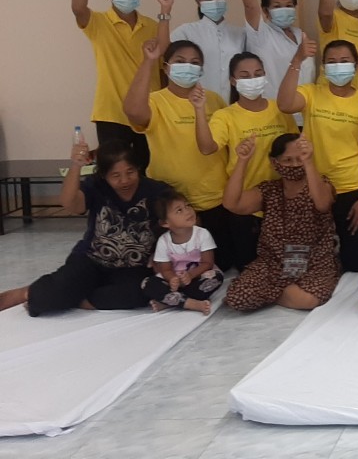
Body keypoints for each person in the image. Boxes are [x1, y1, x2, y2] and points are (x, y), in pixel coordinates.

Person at [0, 142, 164, 316]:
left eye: (130, 172)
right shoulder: (96, 185)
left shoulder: (156, 191)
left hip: (134, 267)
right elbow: (71, 204)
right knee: (47, 296)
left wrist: (160, 253)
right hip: (91, 260)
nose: (124, 180)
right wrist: (76, 166)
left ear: (138, 168)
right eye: (116, 175)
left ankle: (79, 299)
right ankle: (28, 293)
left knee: (143, 292)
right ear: (104, 175)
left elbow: (173, 222)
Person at [124, 39, 242, 270]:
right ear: (166, 67)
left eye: (195, 62)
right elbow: (133, 112)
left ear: (201, 69)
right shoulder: (155, 101)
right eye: (180, 61)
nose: (188, 66)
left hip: (213, 197)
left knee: (223, 263)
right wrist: (148, 61)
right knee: (172, 266)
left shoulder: (214, 100)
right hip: (171, 200)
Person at [277, 37, 358, 273]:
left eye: (344, 61)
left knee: (357, 264)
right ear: (323, 67)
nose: (338, 66)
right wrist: (297, 60)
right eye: (331, 62)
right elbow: (284, 104)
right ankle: (325, 250)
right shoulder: (311, 93)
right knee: (303, 263)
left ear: (357, 66)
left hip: (350, 186)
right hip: (313, 183)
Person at [71, 0, 174, 170]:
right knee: (114, 174)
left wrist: (165, 12)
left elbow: (164, 65)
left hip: (149, 113)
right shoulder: (98, 23)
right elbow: (78, 8)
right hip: (111, 113)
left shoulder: (153, 26)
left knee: (149, 172)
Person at [194, 52, 300, 269]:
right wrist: (199, 110)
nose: (253, 79)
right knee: (249, 266)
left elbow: (294, 148)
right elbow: (207, 147)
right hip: (245, 204)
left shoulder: (280, 109)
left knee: (286, 265)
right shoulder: (225, 116)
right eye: (245, 76)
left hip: (282, 201)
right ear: (233, 81)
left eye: (258, 74)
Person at [223, 134, 340, 311]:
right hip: (274, 262)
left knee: (307, 300)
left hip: (313, 261)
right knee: (237, 298)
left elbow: (323, 205)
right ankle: (279, 292)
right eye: (287, 160)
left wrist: (308, 162)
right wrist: (242, 161)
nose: (295, 165)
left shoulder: (321, 183)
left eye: (299, 159)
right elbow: (232, 204)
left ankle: (269, 293)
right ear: (274, 162)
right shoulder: (269, 190)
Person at [230, 0, 317, 106]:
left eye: (289, 5)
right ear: (266, 11)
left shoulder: (300, 35)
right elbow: (250, 5)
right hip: (275, 110)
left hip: (305, 110)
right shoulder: (261, 34)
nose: (284, 10)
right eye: (277, 6)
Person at [140, 188, 224, 314]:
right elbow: (165, 269)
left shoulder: (202, 234)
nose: (187, 211)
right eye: (179, 210)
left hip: (197, 277)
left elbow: (208, 263)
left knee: (216, 278)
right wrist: (173, 279)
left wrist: (190, 275)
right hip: (175, 282)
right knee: (147, 283)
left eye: (187, 206)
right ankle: (192, 303)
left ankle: (170, 301)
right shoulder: (164, 241)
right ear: (165, 223)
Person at [171, 0, 245, 104]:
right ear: (198, 1)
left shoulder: (240, 33)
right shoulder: (185, 31)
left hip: (234, 103)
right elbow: (168, 61)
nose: (214, 3)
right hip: (198, 101)